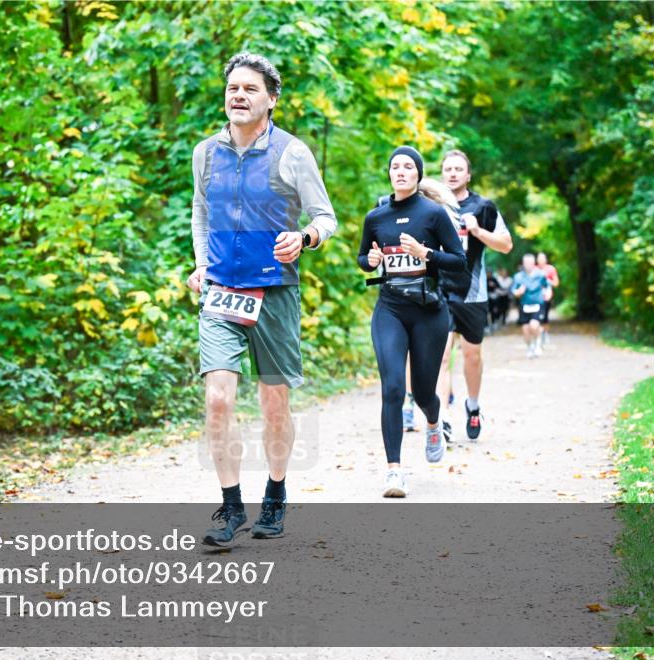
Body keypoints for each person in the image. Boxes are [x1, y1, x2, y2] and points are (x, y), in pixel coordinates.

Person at [187, 53, 338, 547]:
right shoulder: (205, 153)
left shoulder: (293, 153)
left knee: (274, 404)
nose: (238, 95)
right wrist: (202, 264)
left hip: (274, 292)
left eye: (250, 89)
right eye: (233, 87)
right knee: (217, 399)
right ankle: (231, 507)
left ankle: (275, 492)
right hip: (222, 292)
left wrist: (305, 238)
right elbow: (201, 213)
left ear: (271, 99)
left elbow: (325, 217)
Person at [359, 146, 465, 498]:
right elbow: (363, 258)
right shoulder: (376, 217)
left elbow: (458, 261)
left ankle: (434, 423)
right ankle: (394, 472)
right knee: (392, 387)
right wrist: (371, 258)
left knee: (422, 392)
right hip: (389, 309)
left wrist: (427, 254)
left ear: (418, 174)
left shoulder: (433, 214)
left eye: (408, 167)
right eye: (395, 166)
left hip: (429, 312)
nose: (401, 171)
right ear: (389, 174)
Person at [435, 150, 513, 442]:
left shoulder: (483, 206)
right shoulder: (433, 204)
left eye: (458, 169)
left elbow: (506, 245)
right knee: (441, 357)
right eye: (448, 169)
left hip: (472, 292)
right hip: (439, 290)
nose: (452, 174)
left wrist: (478, 230)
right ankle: (441, 419)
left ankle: (473, 405)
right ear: (442, 173)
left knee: (472, 354)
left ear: (468, 175)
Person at [512, 253, 551, 358]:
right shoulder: (518, 276)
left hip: (538, 304)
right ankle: (530, 347)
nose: (528, 265)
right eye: (526, 263)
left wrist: (548, 293)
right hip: (524, 305)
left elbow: (547, 286)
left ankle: (538, 344)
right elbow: (513, 291)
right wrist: (518, 292)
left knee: (534, 325)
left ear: (534, 263)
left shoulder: (541, 274)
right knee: (525, 330)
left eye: (530, 263)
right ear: (523, 264)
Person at [536, 252, 560, 346]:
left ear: (546, 259)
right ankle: (538, 336)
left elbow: (556, 283)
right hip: (535, 297)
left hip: (546, 297)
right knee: (536, 317)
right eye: (539, 258)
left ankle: (545, 334)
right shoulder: (534, 269)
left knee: (545, 317)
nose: (541, 260)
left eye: (542, 258)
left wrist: (547, 280)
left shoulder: (550, 269)